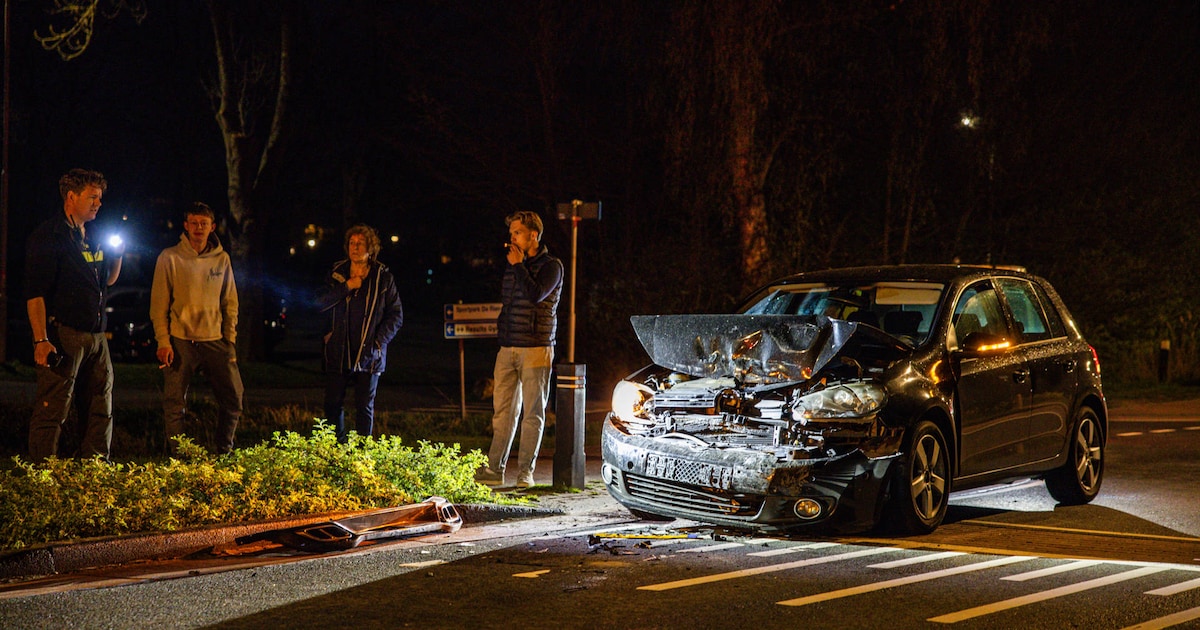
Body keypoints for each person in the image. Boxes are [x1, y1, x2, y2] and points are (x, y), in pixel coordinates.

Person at [24, 168, 123, 461]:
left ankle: (94, 469)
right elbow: (35, 293)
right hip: (64, 335)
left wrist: (117, 254)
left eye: (100, 198)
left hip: (97, 336)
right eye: (92, 197)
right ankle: (41, 473)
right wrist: (41, 339)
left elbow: (108, 281)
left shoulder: (94, 237)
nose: (98, 204)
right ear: (71, 197)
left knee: (100, 405)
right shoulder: (48, 236)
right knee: (53, 407)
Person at [476, 211, 563, 489]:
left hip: (536, 348)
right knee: (502, 412)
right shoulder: (515, 265)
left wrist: (518, 266)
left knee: (532, 414)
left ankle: (525, 472)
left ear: (533, 236)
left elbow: (536, 294)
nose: (511, 238)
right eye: (511, 233)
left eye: (517, 233)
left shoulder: (552, 266)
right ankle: (494, 469)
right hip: (508, 346)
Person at [150, 202, 244, 455]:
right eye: (194, 223)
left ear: (212, 227)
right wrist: (163, 341)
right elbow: (159, 304)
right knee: (174, 402)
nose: (199, 228)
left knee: (234, 398)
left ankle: (224, 450)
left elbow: (230, 301)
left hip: (215, 339)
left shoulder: (222, 259)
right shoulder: (169, 257)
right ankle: (181, 455)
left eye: (204, 223)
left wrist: (230, 339)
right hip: (181, 339)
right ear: (186, 226)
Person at [317, 224, 404, 441]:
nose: (355, 247)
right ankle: (338, 449)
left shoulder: (382, 277)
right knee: (332, 403)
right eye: (351, 243)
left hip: (369, 354)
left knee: (364, 406)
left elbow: (396, 315)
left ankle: (362, 456)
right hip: (339, 349)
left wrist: (378, 342)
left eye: (360, 243)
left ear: (371, 248)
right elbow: (319, 303)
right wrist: (347, 286)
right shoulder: (337, 272)